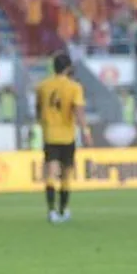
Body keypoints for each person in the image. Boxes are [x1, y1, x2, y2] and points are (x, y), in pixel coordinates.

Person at [35, 52, 92, 224]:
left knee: (51, 174)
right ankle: (64, 209)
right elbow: (78, 110)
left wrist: (43, 123)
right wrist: (86, 131)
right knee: (66, 175)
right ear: (68, 68)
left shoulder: (43, 86)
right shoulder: (74, 87)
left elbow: (38, 109)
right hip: (67, 136)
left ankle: (51, 211)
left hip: (50, 135)